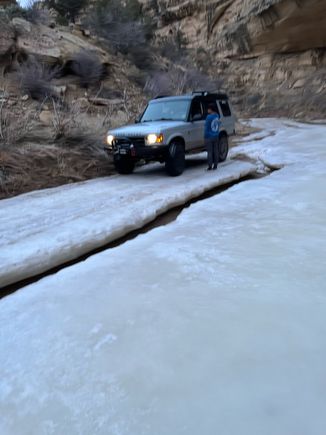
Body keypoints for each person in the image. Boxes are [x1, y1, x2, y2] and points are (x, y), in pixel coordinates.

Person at [204, 103, 220, 170]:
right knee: (216, 151)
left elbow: (206, 127)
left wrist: (205, 136)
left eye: (208, 109)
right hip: (216, 135)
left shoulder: (208, 117)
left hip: (209, 137)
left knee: (210, 152)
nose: (207, 110)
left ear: (210, 109)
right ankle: (215, 165)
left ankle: (210, 166)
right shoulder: (217, 116)